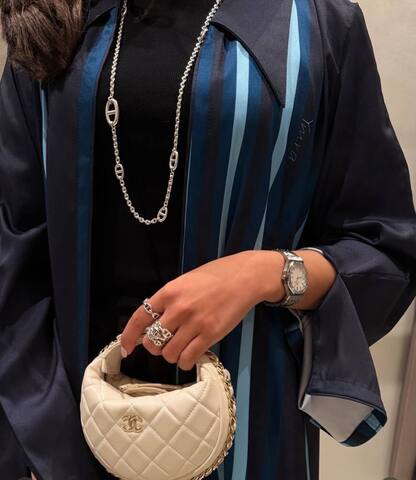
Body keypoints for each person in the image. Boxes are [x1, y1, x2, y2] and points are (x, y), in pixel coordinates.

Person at [1, 0, 415, 479]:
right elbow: (13, 248)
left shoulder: (313, 26)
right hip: (69, 431)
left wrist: (266, 273)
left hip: (247, 431)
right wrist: (36, 442)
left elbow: (381, 245)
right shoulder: (55, 17)